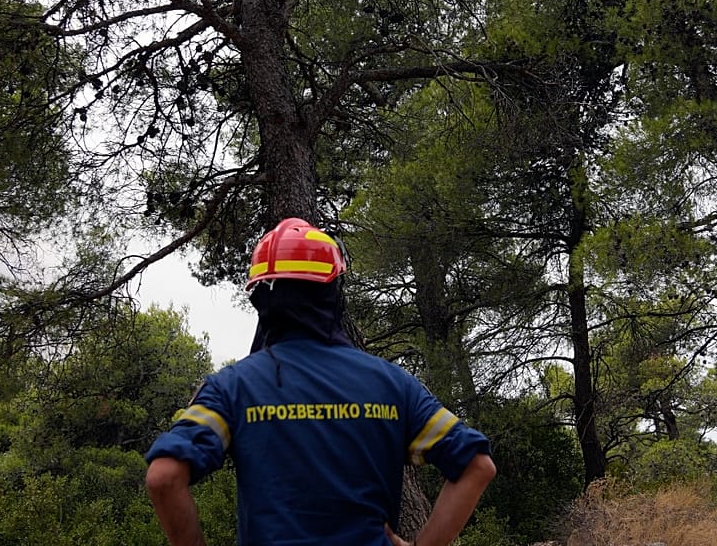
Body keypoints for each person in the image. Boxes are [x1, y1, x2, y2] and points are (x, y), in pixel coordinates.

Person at [145, 217, 496, 546]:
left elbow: (164, 477)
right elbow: (477, 466)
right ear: (332, 292)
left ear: (261, 298)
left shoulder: (231, 388)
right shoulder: (393, 384)